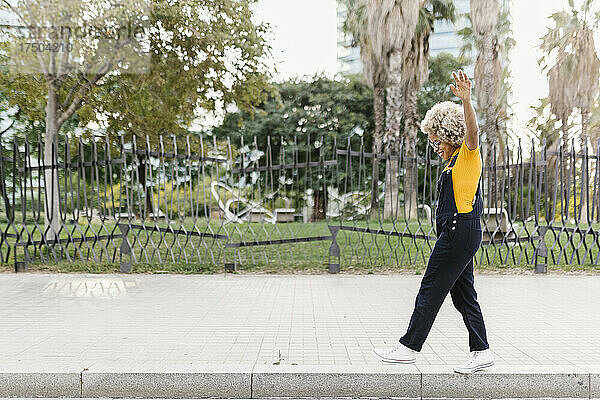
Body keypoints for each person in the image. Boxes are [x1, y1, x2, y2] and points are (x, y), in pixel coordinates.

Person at [371, 70, 493, 374]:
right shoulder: (452, 163)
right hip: (460, 233)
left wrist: (466, 100)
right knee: (464, 295)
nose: (434, 145)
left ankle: (408, 347)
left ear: (450, 134)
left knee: (431, 288)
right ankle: (482, 351)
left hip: (458, 231)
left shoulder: (467, 155)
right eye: (431, 140)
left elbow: (474, 134)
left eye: (436, 139)